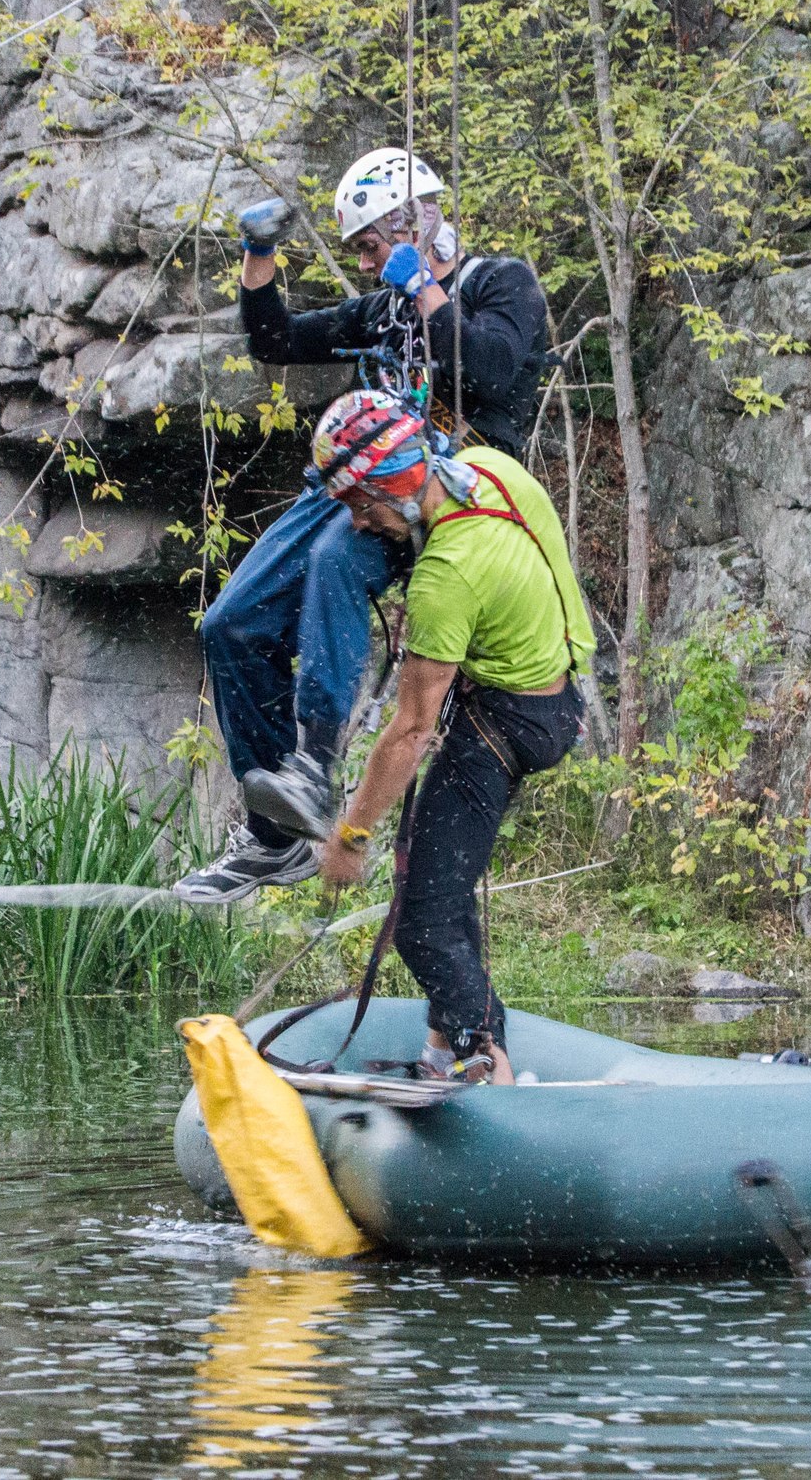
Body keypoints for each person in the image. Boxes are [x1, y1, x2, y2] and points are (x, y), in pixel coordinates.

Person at [175, 148, 551, 904]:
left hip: (446, 480)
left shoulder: (498, 283)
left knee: (336, 562)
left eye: (375, 246)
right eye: (365, 253)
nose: (372, 264)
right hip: (353, 482)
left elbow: (494, 368)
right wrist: (258, 257)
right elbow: (275, 341)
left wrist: (425, 291)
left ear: (418, 221)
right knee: (229, 622)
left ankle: (316, 762)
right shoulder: (379, 308)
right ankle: (273, 838)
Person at [308, 388, 595, 1083]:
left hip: (505, 722)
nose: (357, 523)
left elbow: (408, 732)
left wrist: (350, 837)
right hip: (557, 694)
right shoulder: (493, 470)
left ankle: (484, 1059)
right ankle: (445, 1049)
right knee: (443, 880)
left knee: (422, 921)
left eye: (361, 504)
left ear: (400, 485)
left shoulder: (444, 579)